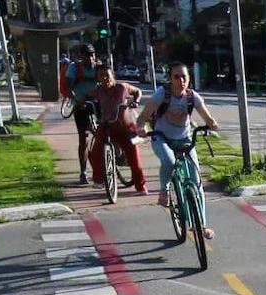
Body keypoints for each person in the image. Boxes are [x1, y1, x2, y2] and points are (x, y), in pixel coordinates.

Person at [140, 61, 221, 239]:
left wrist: (212, 125)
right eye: (176, 77)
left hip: (185, 139)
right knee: (169, 161)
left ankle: (202, 225)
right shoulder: (162, 94)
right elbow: (144, 116)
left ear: (189, 78)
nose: (181, 80)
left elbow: (208, 117)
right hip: (162, 138)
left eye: (184, 77)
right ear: (170, 78)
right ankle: (164, 191)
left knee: (196, 182)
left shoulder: (192, 97)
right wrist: (141, 128)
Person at [86, 64, 148, 195]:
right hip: (106, 125)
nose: (105, 78)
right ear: (98, 79)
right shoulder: (98, 90)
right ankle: (99, 180)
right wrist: (81, 101)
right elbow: (86, 96)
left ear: (113, 76)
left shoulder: (122, 87)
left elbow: (138, 91)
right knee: (96, 152)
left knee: (134, 157)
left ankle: (141, 186)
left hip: (126, 126)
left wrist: (136, 101)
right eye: (101, 76)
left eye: (107, 75)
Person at [62, 44, 99, 185]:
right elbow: (68, 86)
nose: (90, 58)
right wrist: (77, 99)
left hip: (97, 104)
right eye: (86, 55)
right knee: (83, 139)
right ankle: (83, 172)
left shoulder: (98, 67)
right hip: (81, 105)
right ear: (81, 56)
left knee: (106, 132)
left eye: (92, 54)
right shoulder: (74, 67)